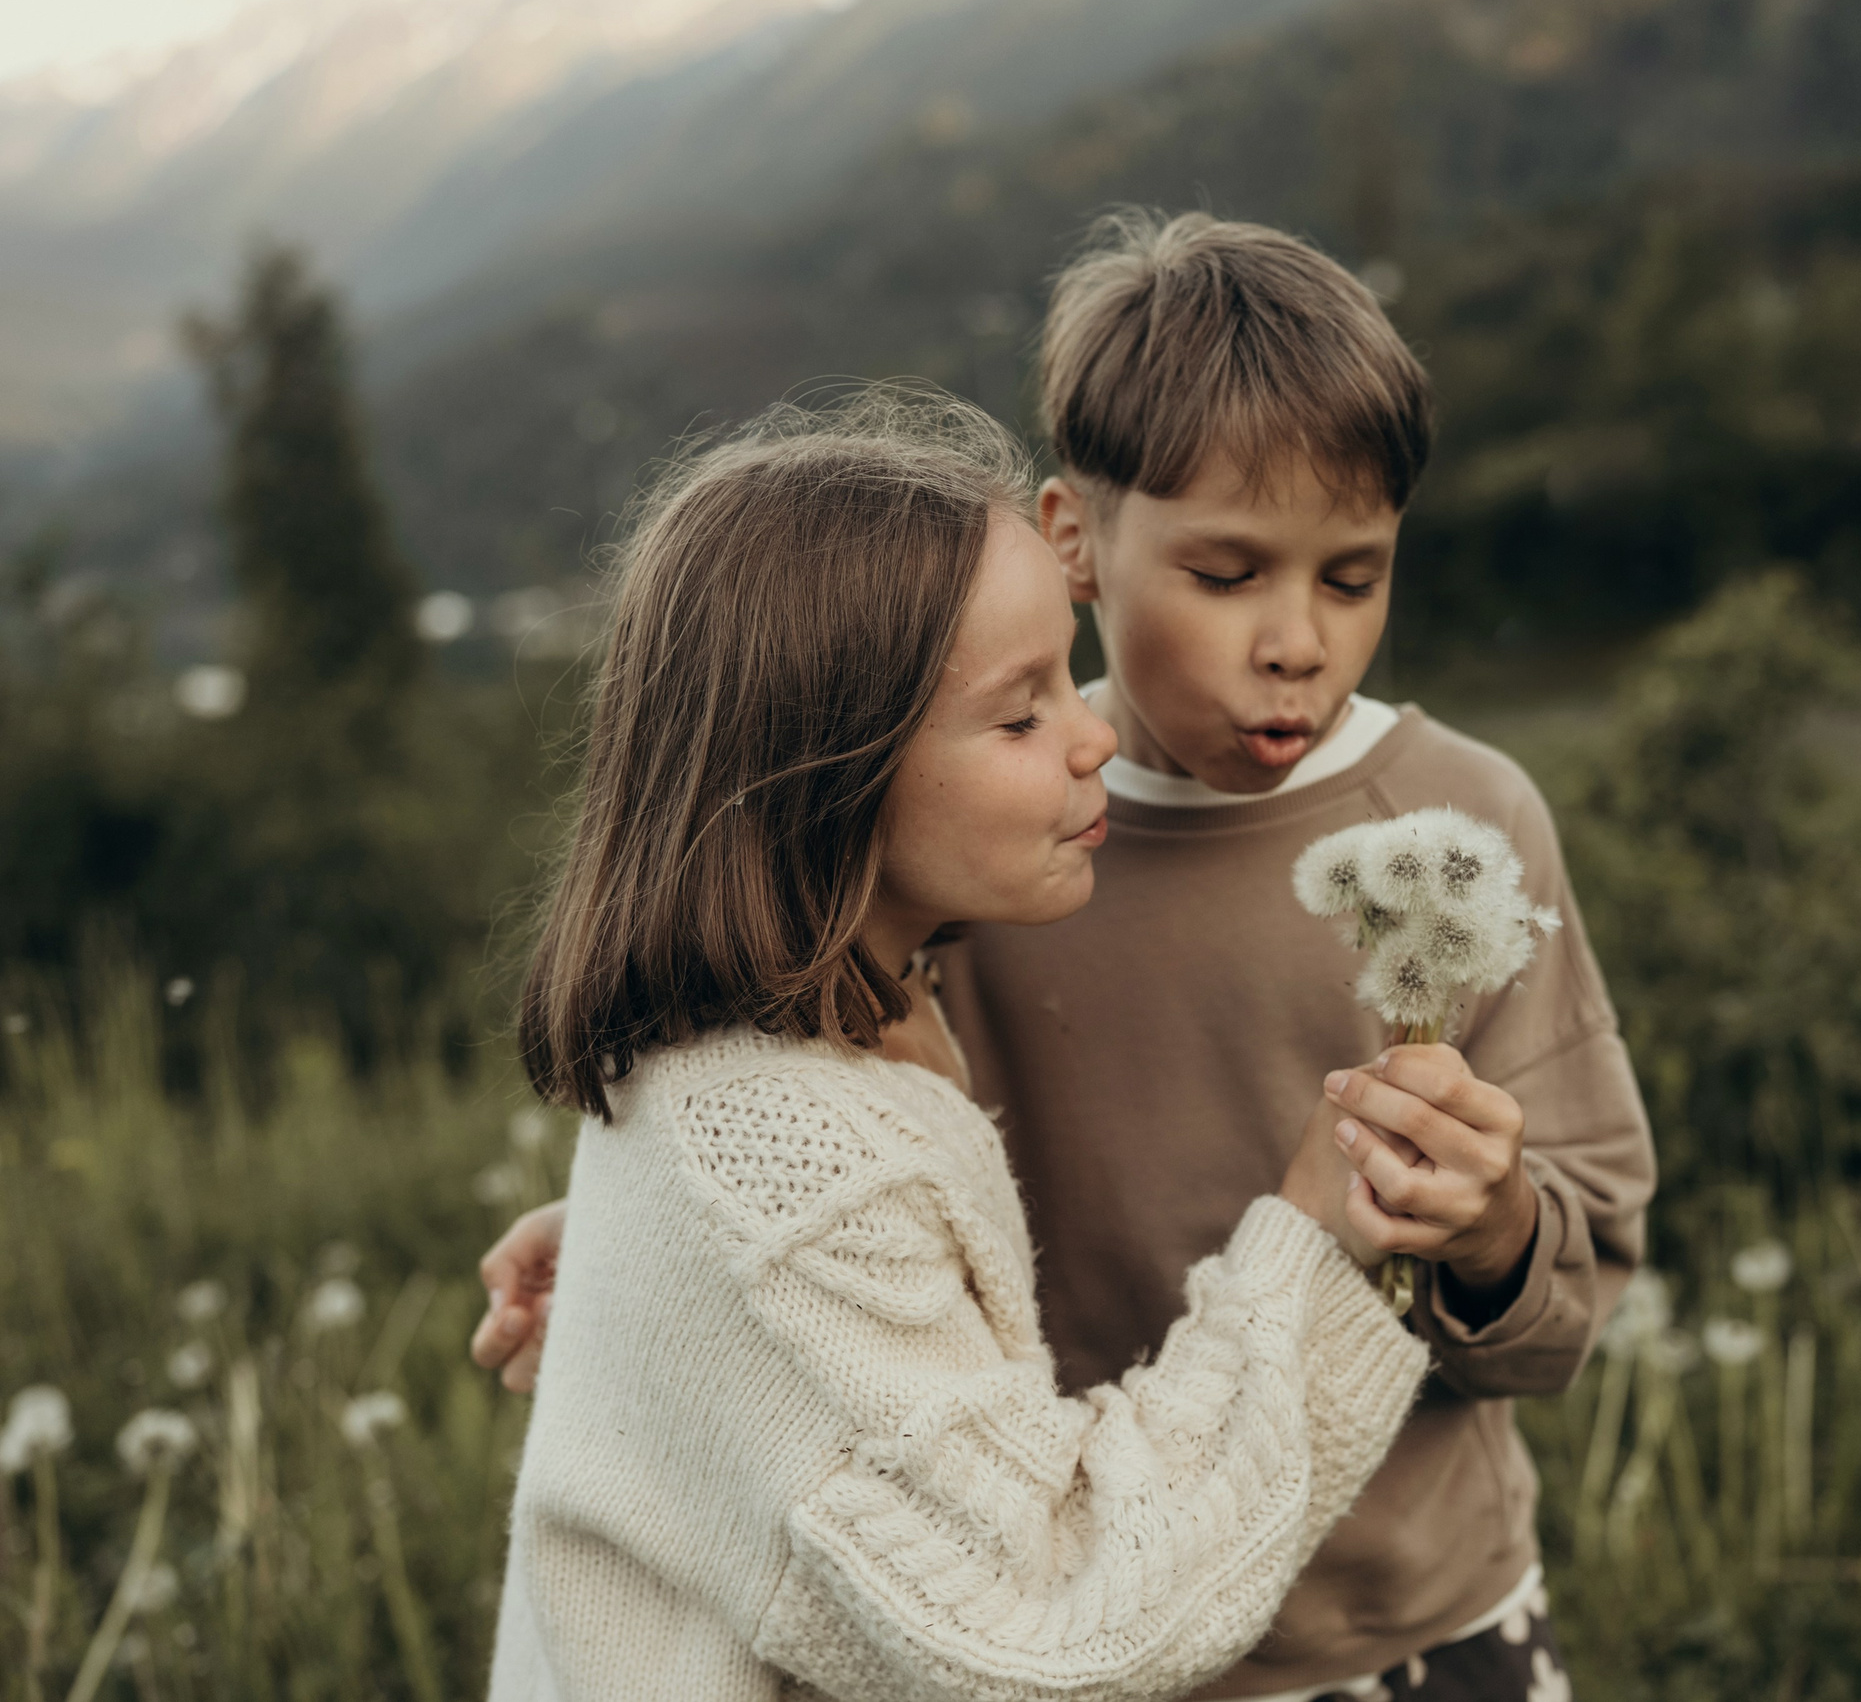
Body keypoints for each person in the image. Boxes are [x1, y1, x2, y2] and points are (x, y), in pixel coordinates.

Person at [479, 213, 1658, 1702]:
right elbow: (847, 1172)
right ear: (1075, 539)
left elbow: (1580, 1274)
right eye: (1228, 573)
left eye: (1352, 578)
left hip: (1424, 1624)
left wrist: (1489, 1241)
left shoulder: (1467, 827)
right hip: (1102, 1605)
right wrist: (673, 1287)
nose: (1295, 639)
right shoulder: (985, 848)